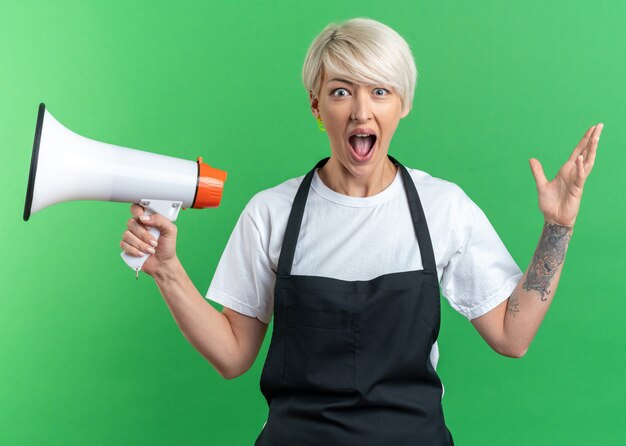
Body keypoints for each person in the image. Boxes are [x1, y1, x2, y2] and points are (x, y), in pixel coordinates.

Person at [119, 17, 603, 445]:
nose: (360, 111)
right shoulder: (271, 212)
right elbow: (232, 356)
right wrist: (167, 271)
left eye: (380, 91)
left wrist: (557, 227)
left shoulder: (444, 208)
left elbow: (512, 336)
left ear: (403, 104)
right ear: (316, 105)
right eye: (341, 91)